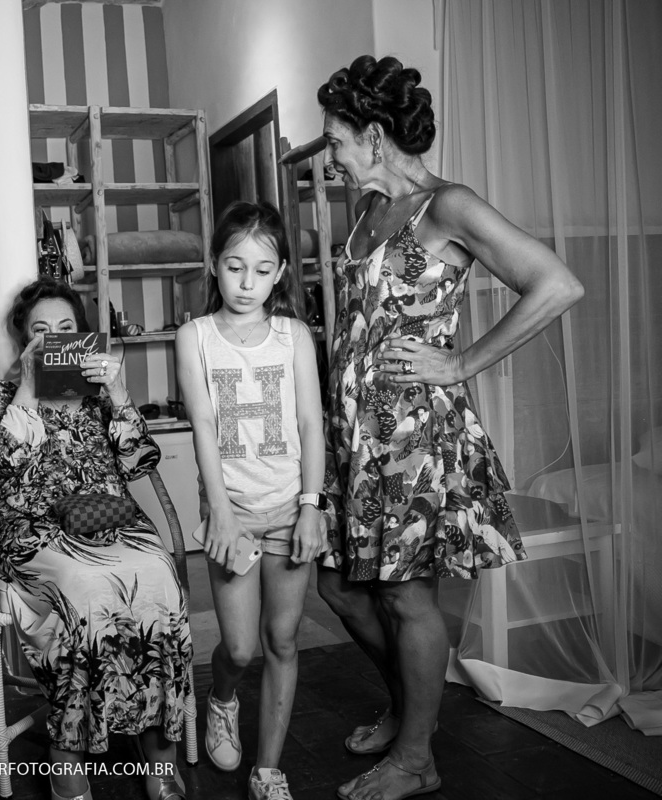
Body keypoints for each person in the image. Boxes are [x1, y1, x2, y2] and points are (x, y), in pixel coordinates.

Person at [313, 55, 585, 800]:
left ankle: (415, 759)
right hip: (355, 440)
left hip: (413, 441)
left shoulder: (448, 205)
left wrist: (461, 361)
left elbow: (557, 284)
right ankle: (411, 714)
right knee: (338, 586)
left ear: (372, 135)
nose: (330, 158)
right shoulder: (369, 210)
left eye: (335, 141)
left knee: (407, 598)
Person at [0, 278, 192, 800]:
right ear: (23, 341)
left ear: (84, 336)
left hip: (111, 523)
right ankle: (68, 751)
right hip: (35, 530)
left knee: (158, 576)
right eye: (41, 332)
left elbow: (141, 461)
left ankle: (158, 746)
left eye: (67, 329)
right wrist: (28, 385)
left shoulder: (98, 394)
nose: (54, 339)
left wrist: (119, 394)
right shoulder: (2, 396)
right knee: (85, 589)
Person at [175, 201, 327, 800]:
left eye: (262, 270)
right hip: (232, 511)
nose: (246, 283)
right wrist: (222, 513)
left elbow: (312, 424)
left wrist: (313, 505)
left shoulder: (295, 336)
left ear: (281, 271)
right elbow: (203, 426)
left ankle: (268, 771)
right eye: (234, 266)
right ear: (214, 265)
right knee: (239, 647)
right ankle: (222, 696)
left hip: (292, 509)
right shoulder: (196, 337)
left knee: (283, 641)